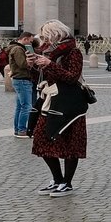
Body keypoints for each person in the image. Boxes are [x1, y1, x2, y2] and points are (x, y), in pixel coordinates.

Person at [27, 20, 87, 196]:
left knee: (71, 143)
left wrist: (49, 64)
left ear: (56, 35)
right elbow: (41, 78)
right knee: (41, 140)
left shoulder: (73, 52)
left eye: (47, 36)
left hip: (70, 105)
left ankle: (67, 183)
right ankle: (57, 179)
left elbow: (72, 77)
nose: (45, 41)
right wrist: (32, 67)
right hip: (51, 101)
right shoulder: (50, 54)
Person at [8, 30, 37, 138]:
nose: (30, 44)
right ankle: (22, 130)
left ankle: (18, 129)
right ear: (25, 39)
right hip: (22, 79)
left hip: (19, 79)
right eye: (30, 41)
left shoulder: (15, 48)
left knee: (20, 106)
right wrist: (31, 61)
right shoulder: (18, 49)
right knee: (26, 106)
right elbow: (22, 64)